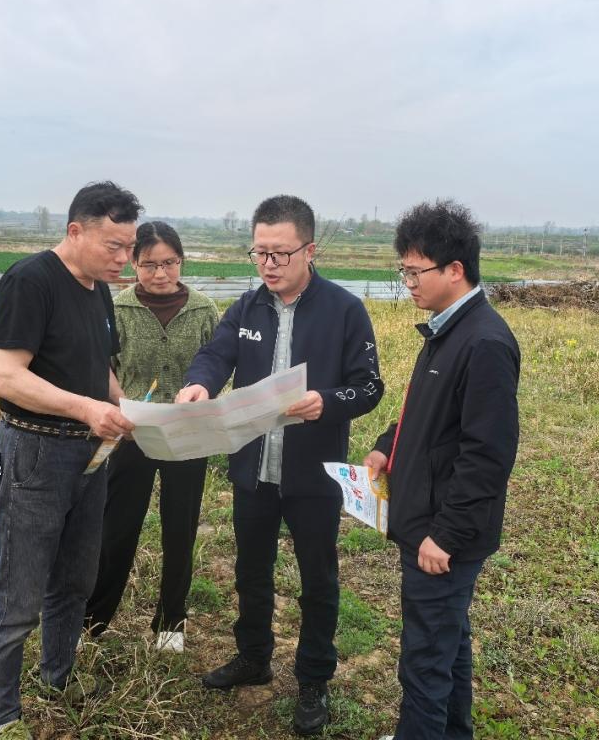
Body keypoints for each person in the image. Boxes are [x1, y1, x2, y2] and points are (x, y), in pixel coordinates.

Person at [177, 195, 383, 736]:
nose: (268, 265)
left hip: (313, 474)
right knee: (251, 571)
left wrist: (326, 403)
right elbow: (216, 355)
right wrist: (199, 383)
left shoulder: (344, 310)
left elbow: (369, 387)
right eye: (259, 253)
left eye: (280, 254)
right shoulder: (246, 309)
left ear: (309, 251)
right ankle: (253, 657)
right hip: (253, 469)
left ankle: (313, 678)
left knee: (318, 578)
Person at [0, 181, 143, 739]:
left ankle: (58, 675)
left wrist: (129, 409)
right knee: (18, 591)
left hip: (90, 455)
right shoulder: (31, 281)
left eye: (129, 247)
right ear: (75, 231)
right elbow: (7, 377)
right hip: (35, 453)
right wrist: (87, 409)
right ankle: (2, 716)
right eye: (114, 246)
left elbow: (100, 366)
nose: (124, 259)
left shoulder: (98, 290)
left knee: (75, 578)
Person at [363, 200, 520, 740]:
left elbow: (488, 454)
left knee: (425, 657)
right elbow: (425, 414)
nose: (407, 283)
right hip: (426, 520)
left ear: (455, 270)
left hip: (441, 534)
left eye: (415, 272)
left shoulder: (484, 342)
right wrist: (387, 447)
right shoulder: (447, 330)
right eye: (403, 271)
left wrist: (446, 535)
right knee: (447, 644)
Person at [84, 221, 220, 652]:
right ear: (134, 264)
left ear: (181, 262)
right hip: (132, 435)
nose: (160, 274)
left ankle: (171, 624)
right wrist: (121, 402)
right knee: (117, 529)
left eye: (169, 263)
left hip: (187, 436)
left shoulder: (204, 310)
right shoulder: (117, 308)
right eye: (149, 265)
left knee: (180, 530)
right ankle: (92, 621)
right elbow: (101, 364)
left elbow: (218, 364)